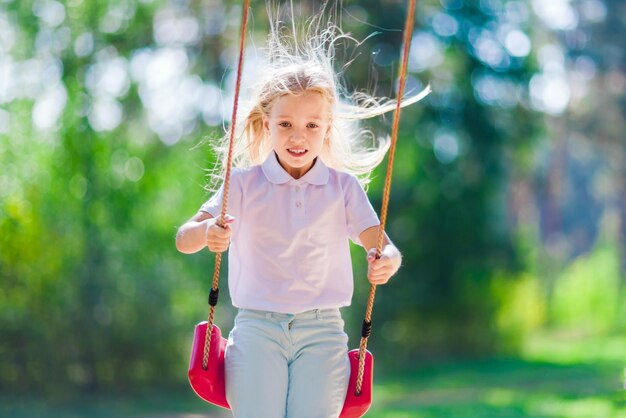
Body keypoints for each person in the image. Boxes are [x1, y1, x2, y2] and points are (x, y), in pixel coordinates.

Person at [176, 12, 425, 418]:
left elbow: (382, 245)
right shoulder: (243, 184)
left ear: (327, 128)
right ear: (266, 123)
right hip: (257, 329)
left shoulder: (342, 187)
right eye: (286, 123)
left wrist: (388, 262)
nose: (298, 136)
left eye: (311, 125)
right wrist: (207, 234)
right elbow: (185, 238)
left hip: (323, 332)